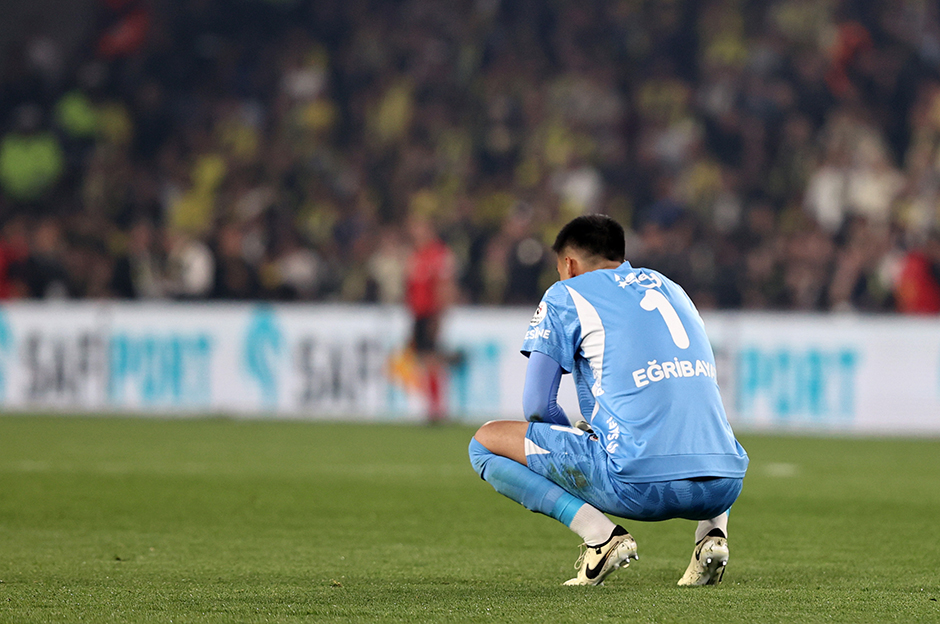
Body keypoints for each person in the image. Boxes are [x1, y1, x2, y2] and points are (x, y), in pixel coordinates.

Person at [469, 214, 749, 586]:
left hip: (641, 487)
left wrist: (575, 443)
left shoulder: (567, 293)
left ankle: (601, 537)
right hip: (725, 483)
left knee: (485, 443)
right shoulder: (672, 288)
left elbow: (537, 405)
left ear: (569, 264)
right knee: (695, 415)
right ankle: (712, 537)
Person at [405, 216, 457, 423]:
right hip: (417, 313)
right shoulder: (416, 254)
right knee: (424, 359)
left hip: (430, 313)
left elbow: (444, 285)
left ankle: (436, 409)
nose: (416, 233)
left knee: (431, 360)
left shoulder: (437, 254)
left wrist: (439, 315)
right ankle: (432, 407)